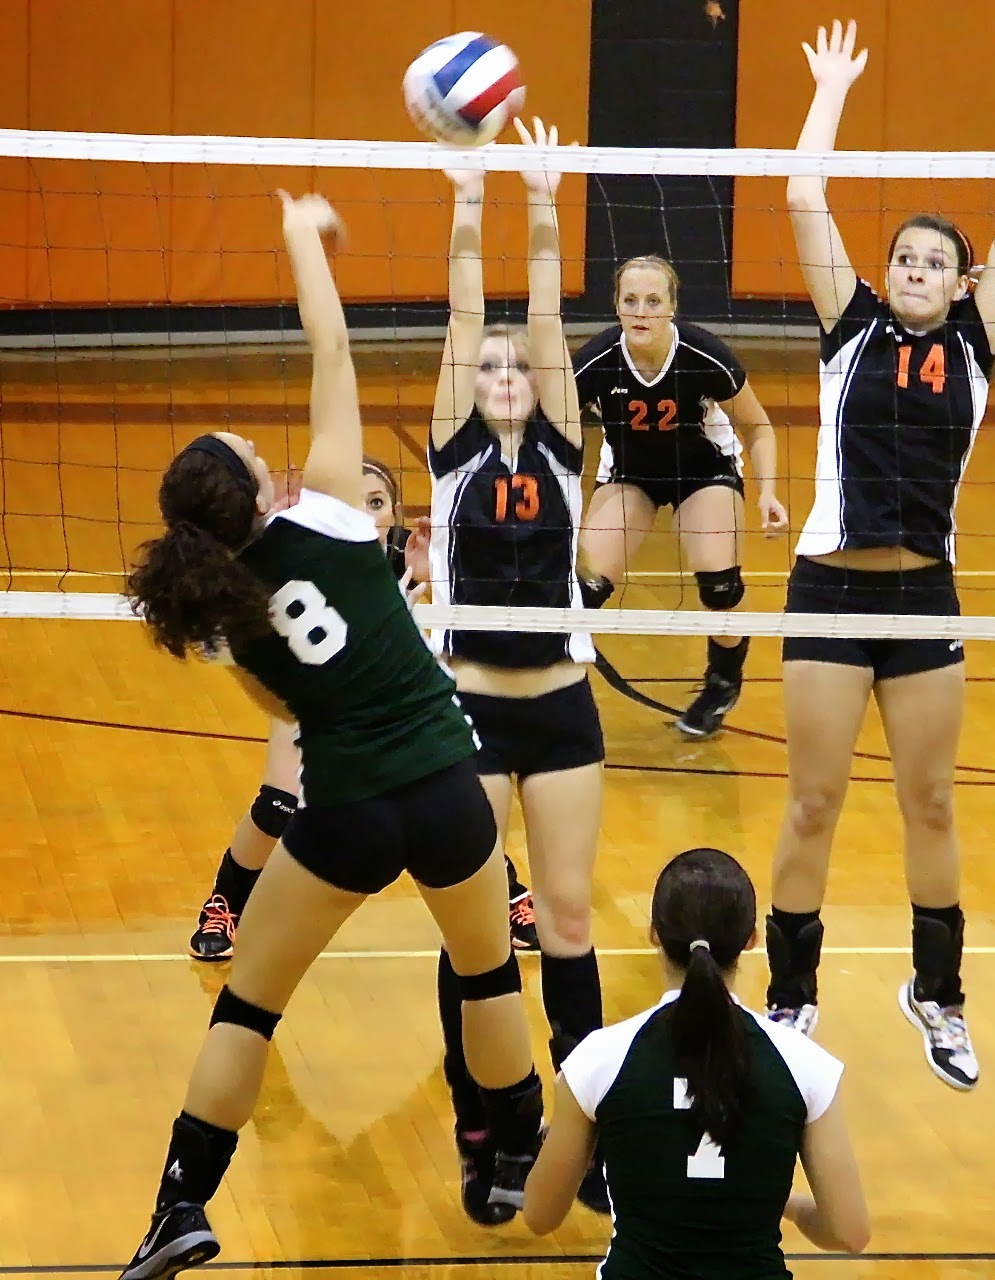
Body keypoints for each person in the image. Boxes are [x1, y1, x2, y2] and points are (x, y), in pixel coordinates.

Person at [117, 190, 544, 1279]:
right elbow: (333, 348)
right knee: (488, 973)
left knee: (252, 1002)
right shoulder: (341, 511)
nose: (266, 447)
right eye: (247, 449)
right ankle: (511, 1158)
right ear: (254, 489)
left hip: (346, 804)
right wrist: (305, 237)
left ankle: (180, 1205)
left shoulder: (220, 621)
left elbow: (290, 712)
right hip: (449, 781)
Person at [764, 18, 995, 1090]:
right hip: (824, 592)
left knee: (930, 801)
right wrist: (830, 90)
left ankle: (936, 996)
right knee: (811, 801)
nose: (913, 267)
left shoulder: (972, 344)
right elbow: (803, 199)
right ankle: (789, 995)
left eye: (933, 260)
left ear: (959, 282)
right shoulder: (848, 328)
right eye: (902, 255)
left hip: (923, 599)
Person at [421, 116, 607, 1221]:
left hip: (561, 713)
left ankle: (584, 1136)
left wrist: (542, 204)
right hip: (474, 717)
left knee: (571, 922)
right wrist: (465, 198)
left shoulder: (560, 439)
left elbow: (540, 320)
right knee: (479, 935)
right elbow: (464, 312)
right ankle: (485, 1127)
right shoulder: (450, 449)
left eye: (513, 366)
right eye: (485, 366)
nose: (501, 373)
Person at [188, 458, 539, 960]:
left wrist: (421, 578)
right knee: (279, 805)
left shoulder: (402, 564)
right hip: (310, 702)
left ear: (392, 513)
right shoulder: (312, 551)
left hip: (390, 719)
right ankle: (227, 901)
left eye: (376, 504)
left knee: (448, 793)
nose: (366, 513)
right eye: (357, 502)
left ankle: (505, 894)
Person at [523, 847, 870, 1275]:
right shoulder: (805, 1065)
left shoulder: (598, 1059)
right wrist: (795, 1209)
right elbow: (850, 1232)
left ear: (654, 933)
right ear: (750, 941)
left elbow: (540, 1216)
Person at [573, 257, 788, 739]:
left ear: (672, 307)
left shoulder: (703, 355)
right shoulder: (595, 361)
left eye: (653, 301)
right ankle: (557, 689)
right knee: (582, 592)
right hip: (631, 475)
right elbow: (553, 429)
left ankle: (722, 680)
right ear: (616, 305)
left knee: (719, 587)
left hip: (703, 472)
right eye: (630, 301)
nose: (641, 312)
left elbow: (758, 426)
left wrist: (768, 493)